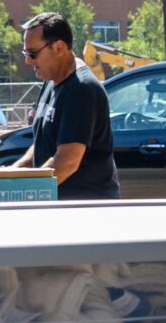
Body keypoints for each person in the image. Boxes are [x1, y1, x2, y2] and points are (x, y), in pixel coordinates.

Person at [11, 11, 117, 199]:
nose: (28, 61)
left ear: (59, 47)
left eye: (33, 53)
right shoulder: (51, 80)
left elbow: (67, 161)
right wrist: (13, 174)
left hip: (84, 209)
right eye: (25, 53)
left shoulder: (80, 89)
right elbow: (44, 141)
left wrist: (26, 193)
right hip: (61, 203)